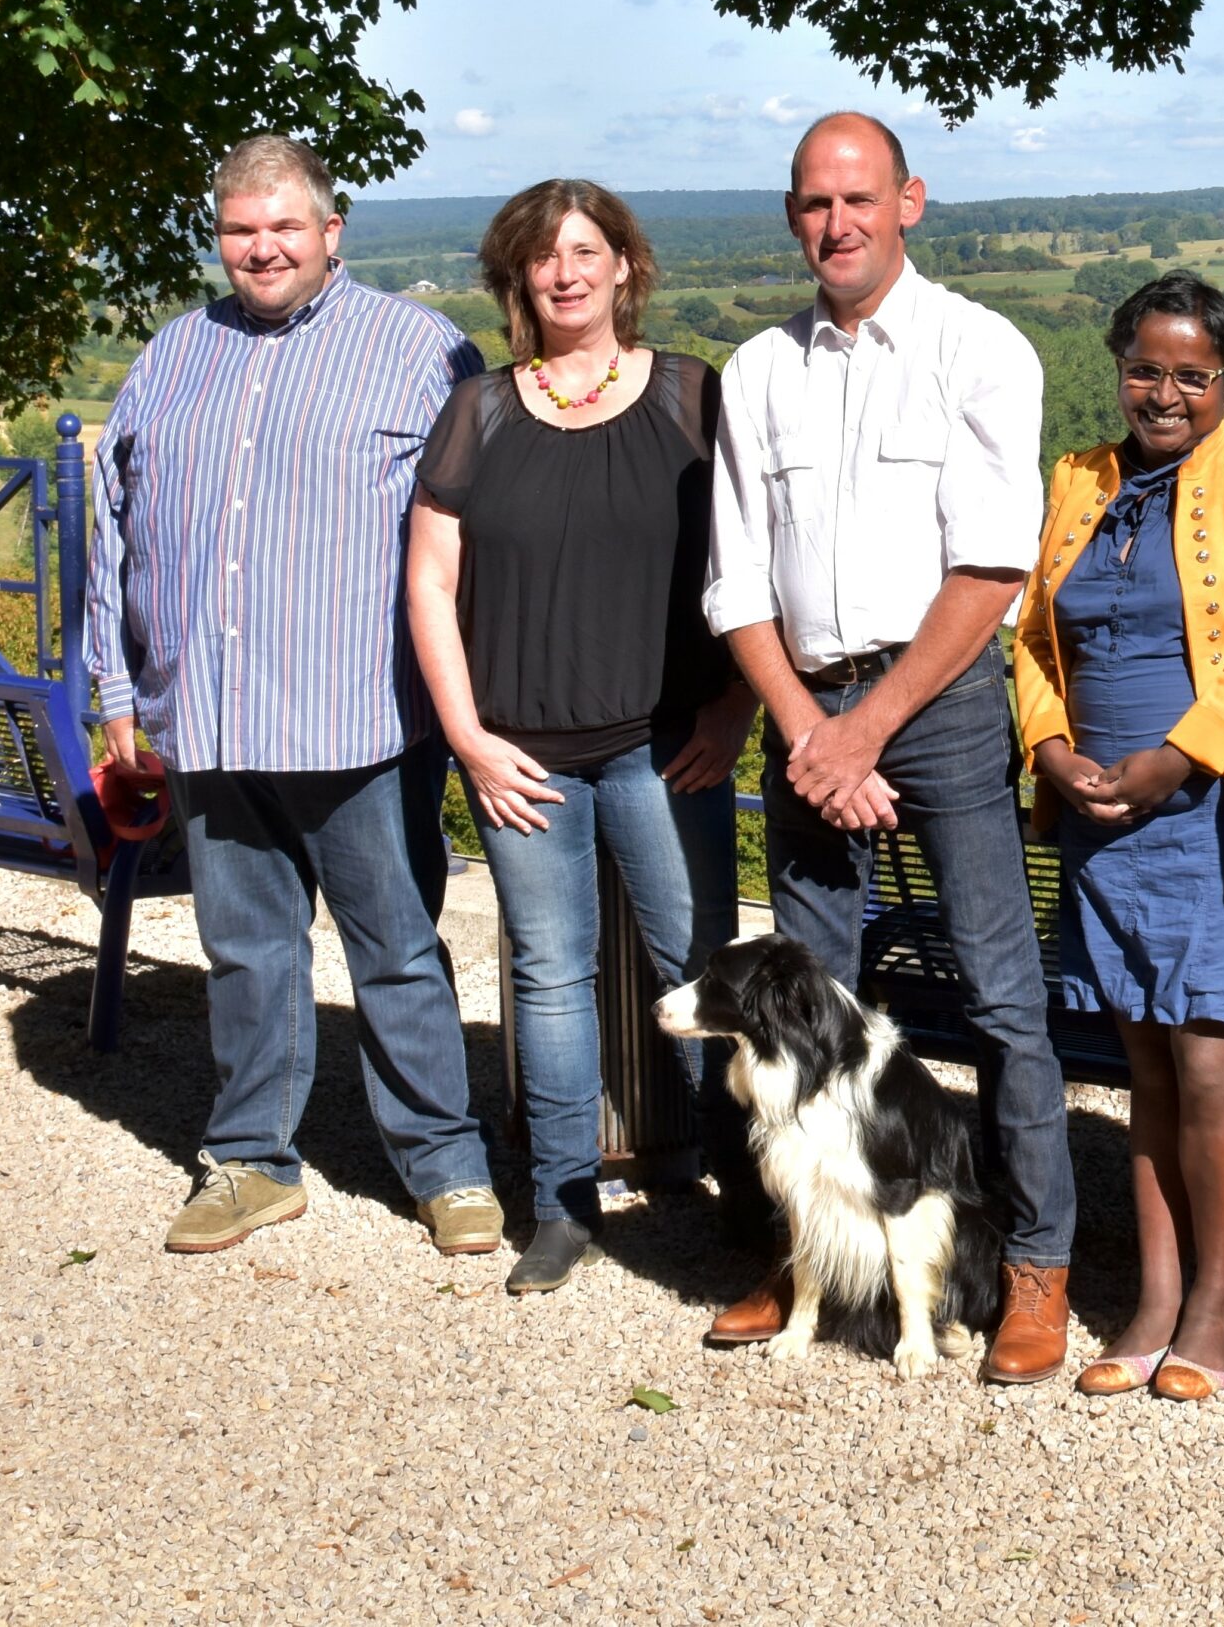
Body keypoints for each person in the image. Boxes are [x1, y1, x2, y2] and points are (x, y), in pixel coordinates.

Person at [703, 112, 1078, 1382]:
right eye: (815, 203)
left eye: (860, 198)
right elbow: (735, 582)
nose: (837, 224)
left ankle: (1034, 1268)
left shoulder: (981, 348)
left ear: (910, 201)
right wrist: (812, 731)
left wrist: (866, 729)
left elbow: (989, 567)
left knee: (1001, 1002)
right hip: (806, 708)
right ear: (792, 213)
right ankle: (808, 1255)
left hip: (945, 701)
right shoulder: (755, 372)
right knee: (803, 1010)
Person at [88, 135, 499, 1256]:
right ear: (218, 238)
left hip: (357, 715)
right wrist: (116, 688)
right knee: (245, 951)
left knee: (399, 947)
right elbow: (113, 529)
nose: (260, 248)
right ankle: (251, 1160)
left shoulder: (422, 350)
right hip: (211, 717)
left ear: (331, 231)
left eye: (282, 226)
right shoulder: (171, 354)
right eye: (238, 229)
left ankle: (445, 1163)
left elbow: (476, 535)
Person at [406, 180, 758, 1294]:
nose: (565, 272)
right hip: (520, 756)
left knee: (704, 971)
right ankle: (561, 1203)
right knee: (550, 976)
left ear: (624, 265)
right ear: (516, 280)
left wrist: (734, 708)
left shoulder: (692, 396)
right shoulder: (481, 412)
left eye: (585, 250)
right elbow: (429, 579)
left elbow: (753, 564)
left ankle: (746, 1197)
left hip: (665, 745)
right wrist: (466, 736)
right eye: (541, 258)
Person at [1013, 273, 1224, 1402]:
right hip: (1098, 810)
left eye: (1192, 375)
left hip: (1215, 806)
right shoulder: (1077, 478)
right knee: (1139, 1051)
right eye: (1146, 368)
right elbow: (1034, 640)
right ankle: (1149, 1295)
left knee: (1208, 1054)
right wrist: (1049, 748)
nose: (1165, 393)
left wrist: (1177, 757)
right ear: (1119, 368)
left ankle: (1213, 1313)